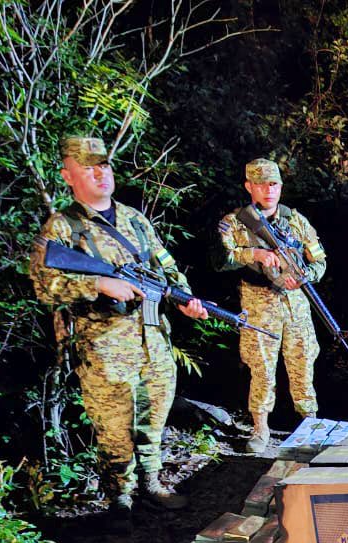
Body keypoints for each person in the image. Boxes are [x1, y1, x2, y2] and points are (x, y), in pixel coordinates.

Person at [30, 135, 206, 523]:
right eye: (88, 167)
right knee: (113, 428)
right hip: (103, 346)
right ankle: (120, 498)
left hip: (153, 338)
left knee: (155, 415)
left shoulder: (135, 220)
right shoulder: (62, 227)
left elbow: (167, 266)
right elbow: (45, 286)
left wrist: (186, 300)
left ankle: (152, 483)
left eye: (104, 166)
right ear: (67, 176)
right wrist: (97, 285)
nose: (100, 173)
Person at [217, 159, 328, 453]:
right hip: (258, 306)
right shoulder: (234, 222)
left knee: (303, 362)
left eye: (274, 183)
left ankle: (309, 424)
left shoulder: (296, 221)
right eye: (262, 184)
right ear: (249, 187)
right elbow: (220, 260)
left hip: (297, 306)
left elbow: (319, 260)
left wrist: (305, 277)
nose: (269, 190)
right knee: (262, 367)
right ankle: (260, 428)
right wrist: (252, 253)